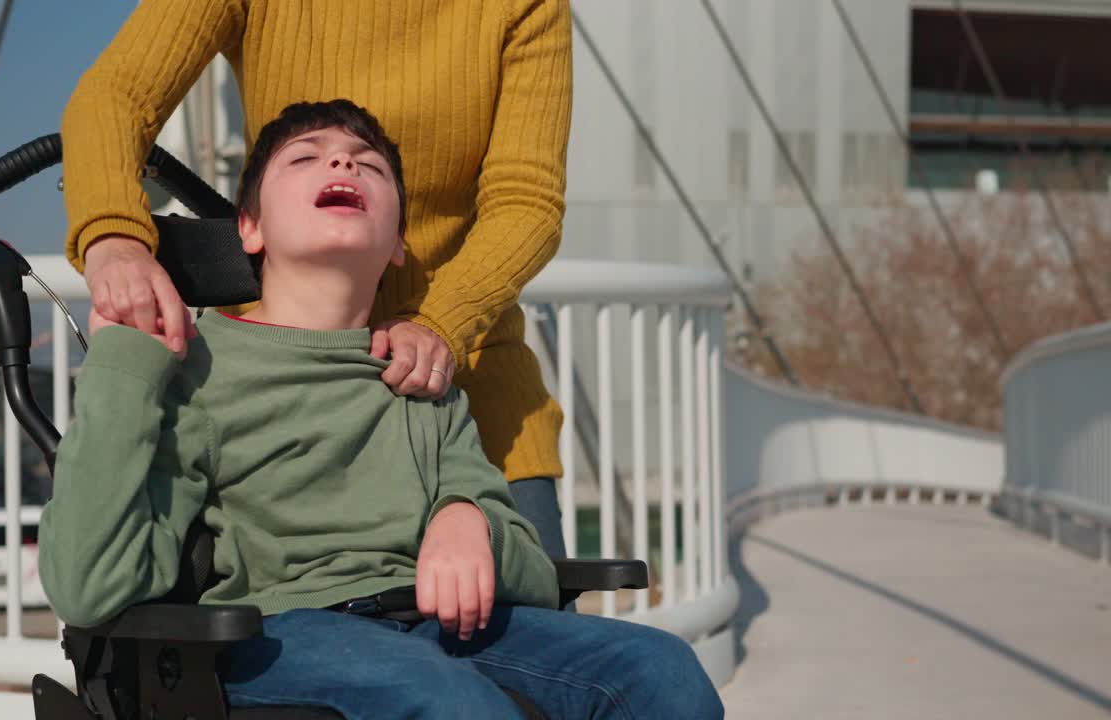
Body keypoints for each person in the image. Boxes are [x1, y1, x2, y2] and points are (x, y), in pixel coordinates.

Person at [40, 100, 723, 719]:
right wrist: (121, 368)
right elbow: (90, 586)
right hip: (286, 630)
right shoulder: (199, 369)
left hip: (439, 624)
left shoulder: (415, 372)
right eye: (305, 157)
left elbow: (532, 574)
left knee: (661, 670)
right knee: (450, 702)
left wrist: (468, 519)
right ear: (248, 228)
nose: (341, 160)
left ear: (397, 241)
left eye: (368, 164)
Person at [62, 0, 574, 560]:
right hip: (287, 399)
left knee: (544, 633)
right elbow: (117, 94)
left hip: (465, 388)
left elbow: (525, 201)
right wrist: (115, 241)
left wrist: (437, 326)